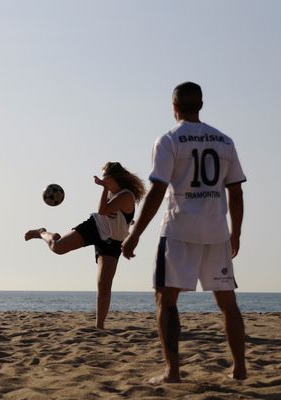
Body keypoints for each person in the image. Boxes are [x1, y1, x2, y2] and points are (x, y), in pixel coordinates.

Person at [122, 82, 247, 384]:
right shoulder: (224, 141)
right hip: (216, 229)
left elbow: (157, 190)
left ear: (174, 106)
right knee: (227, 302)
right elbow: (236, 192)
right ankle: (240, 368)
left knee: (166, 300)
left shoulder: (169, 140)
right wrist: (236, 233)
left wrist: (135, 233)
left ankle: (172, 371)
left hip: (179, 229)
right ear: (201, 104)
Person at [25, 162, 146, 328]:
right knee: (57, 247)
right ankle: (41, 232)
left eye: (105, 177)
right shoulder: (111, 191)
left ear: (113, 178)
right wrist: (106, 189)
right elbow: (103, 213)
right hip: (94, 227)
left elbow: (107, 210)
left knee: (104, 285)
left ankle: (99, 326)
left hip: (112, 241)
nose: (102, 179)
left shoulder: (126, 195)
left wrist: (105, 190)